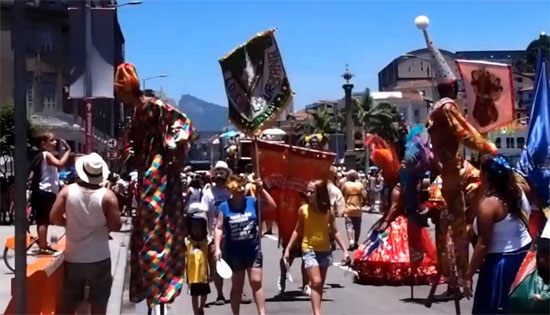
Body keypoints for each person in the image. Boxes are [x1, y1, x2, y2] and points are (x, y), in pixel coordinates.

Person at [115, 63, 197, 307]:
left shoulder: (155, 106)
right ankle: (151, 285)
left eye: (118, 92)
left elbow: (185, 125)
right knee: (147, 230)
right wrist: (127, 152)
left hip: (159, 172)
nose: (117, 97)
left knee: (160, 224)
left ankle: (163, 284)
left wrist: (170, 143)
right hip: (146, 174)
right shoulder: (135, 114)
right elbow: (132, 143)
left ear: (126, 89)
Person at [50, 153, 121, 314]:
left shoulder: (67, 191)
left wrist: (68, 224)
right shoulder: (108, 196)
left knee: (69, 302)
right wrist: (103, 226)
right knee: (99, 304)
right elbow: (116, 225)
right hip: (99, 257)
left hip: (74, 257)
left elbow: (53, 217)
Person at [464, 155, 532, 314]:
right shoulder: (520, 190)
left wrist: (468, 274)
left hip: (501, 263)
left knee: (493, 309)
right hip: (524, 256)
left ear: (486, 175)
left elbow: (483, 244)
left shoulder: (489, 205)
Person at [284, 180, 349, 315]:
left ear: (319, 193)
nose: (308, 194)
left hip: (325, 250)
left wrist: (345, 250)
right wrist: (288, 248)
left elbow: (335, 231)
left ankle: (316, 311)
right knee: (316, 282)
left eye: (311, 192)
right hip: (309, 249)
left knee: (319, 285)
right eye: (307, 191)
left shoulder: (328, 211)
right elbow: (298, 229)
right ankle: (317, 313)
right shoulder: (303, 210)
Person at [214, 175, 276, 315]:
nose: (241, 190)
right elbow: (219, 227)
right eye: (238, 188)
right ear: (231, 190)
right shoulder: (224, 206)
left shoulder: (252, 202)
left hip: (253, 249)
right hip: (234, 252)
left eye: (243, 187)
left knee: (256, 281)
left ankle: (262, 313)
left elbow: (272, 206)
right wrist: (217, 248)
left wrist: (262, 190)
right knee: (237, 285)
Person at [29, 131, 71, 254]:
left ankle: (43, 244)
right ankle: (43, 246)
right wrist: (68, 150)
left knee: (46, 219)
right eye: (52, 140)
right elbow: (60, 163)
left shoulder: (40, 157)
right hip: (45, 191)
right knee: (44, 220)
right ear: (44, 144)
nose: (55, 142)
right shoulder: (46, 155)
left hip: (44, 192)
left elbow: (31, 176)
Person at [201, 160, 233, 305]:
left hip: (233, 234)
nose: (220, 175)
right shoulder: (208, 193)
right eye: (217, 172)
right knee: (217, 266)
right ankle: (220, 294)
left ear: (227, 174)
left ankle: (239, 291)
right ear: (214, 175)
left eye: (222, 172)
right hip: (214, 236)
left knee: (236, 264)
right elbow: (203, 212)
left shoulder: (231, 191)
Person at [185, 203, 211, 315]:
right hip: (192, 276)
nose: (196, 230)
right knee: (194, 296)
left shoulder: (206, 241)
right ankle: (196, 312)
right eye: (194, 227)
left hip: (204, 275)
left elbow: (210, 258)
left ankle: (201, 307)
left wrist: (212, 271)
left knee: (204, 295)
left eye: (199, 227)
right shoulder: (187, 241)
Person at [341, 170, 365, 250]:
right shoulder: (360, 185)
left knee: (349, 226)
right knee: (357, 227)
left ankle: (351, 240)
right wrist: (363, 203)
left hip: (348, 208)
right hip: (358, 209)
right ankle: (356, 242)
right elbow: (364, 195)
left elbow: (341, 192)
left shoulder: (346, 184)